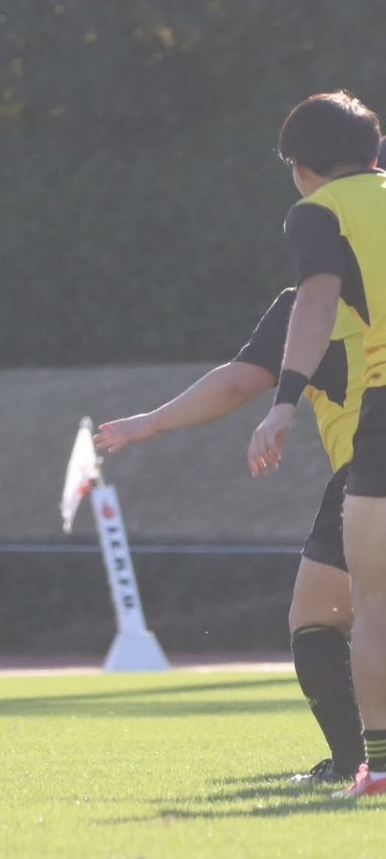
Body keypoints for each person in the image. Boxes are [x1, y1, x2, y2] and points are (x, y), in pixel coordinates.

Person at [97, 288, 364, 784]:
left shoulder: (312, 303)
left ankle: (354, 764)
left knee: (318, 621)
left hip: (372, 470)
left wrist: (152, 422)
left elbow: (240, 381)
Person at [245, 91, 386, 799]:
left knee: (372, 597)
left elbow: (319, 300)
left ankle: (378, 769)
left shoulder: (320, 210)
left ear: (301, 168)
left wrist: (284, 403)